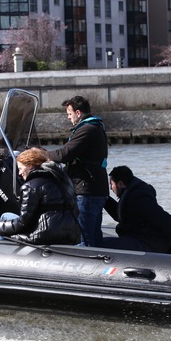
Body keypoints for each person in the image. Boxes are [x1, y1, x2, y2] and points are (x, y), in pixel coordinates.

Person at [46, 96, 109, 247]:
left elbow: (65, 154)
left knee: (83, 237)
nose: (68, 117)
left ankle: (86, 267)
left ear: (78, 113)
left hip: (86, 191)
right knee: (93, 235)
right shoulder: (94, 127)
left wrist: (42, 155)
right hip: (94, 189)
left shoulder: (87, 129)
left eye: (69, 114)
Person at [0, 147, 80, 245]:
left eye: (20, 168)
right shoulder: (64, 180)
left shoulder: (30, 186)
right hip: (71, 234)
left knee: (4, 217)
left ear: (30, 166)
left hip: (44, 235)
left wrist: (0, 228)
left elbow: (23, 222)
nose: (19, 173)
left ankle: (2, 254)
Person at [103, 166, 171, 254]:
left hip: (148, 244)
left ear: (120, 183)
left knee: (101, 244)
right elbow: (120, 216)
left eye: (111, 184)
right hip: (141, 239)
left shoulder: (139, 198)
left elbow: (165, 219)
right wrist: (104, 199)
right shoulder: (131, 195)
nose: (111, 188)